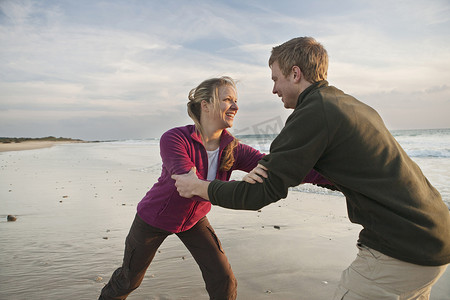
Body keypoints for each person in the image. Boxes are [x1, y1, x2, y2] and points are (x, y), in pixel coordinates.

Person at [171, 38, 450, 299]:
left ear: (295, 74)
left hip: (402, 249)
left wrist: (200, 187)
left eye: (276, 79)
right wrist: (281, 170)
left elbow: (258, 194)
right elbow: (340, 172)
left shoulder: (313, 113)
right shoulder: (350, 105)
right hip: (436, 234)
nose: (274, 89)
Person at [99, 76, 331, 300]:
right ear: (206, 105)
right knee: (129, 280)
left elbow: (279, 169)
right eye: (228, 100)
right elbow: (186, 185)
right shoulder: (174, 139)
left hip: (194, 220)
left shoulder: (233, 148)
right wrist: (239, 186)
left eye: (236, 100)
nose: (236, 106)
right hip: (153, 219)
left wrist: (335, 179)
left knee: (223, 280)